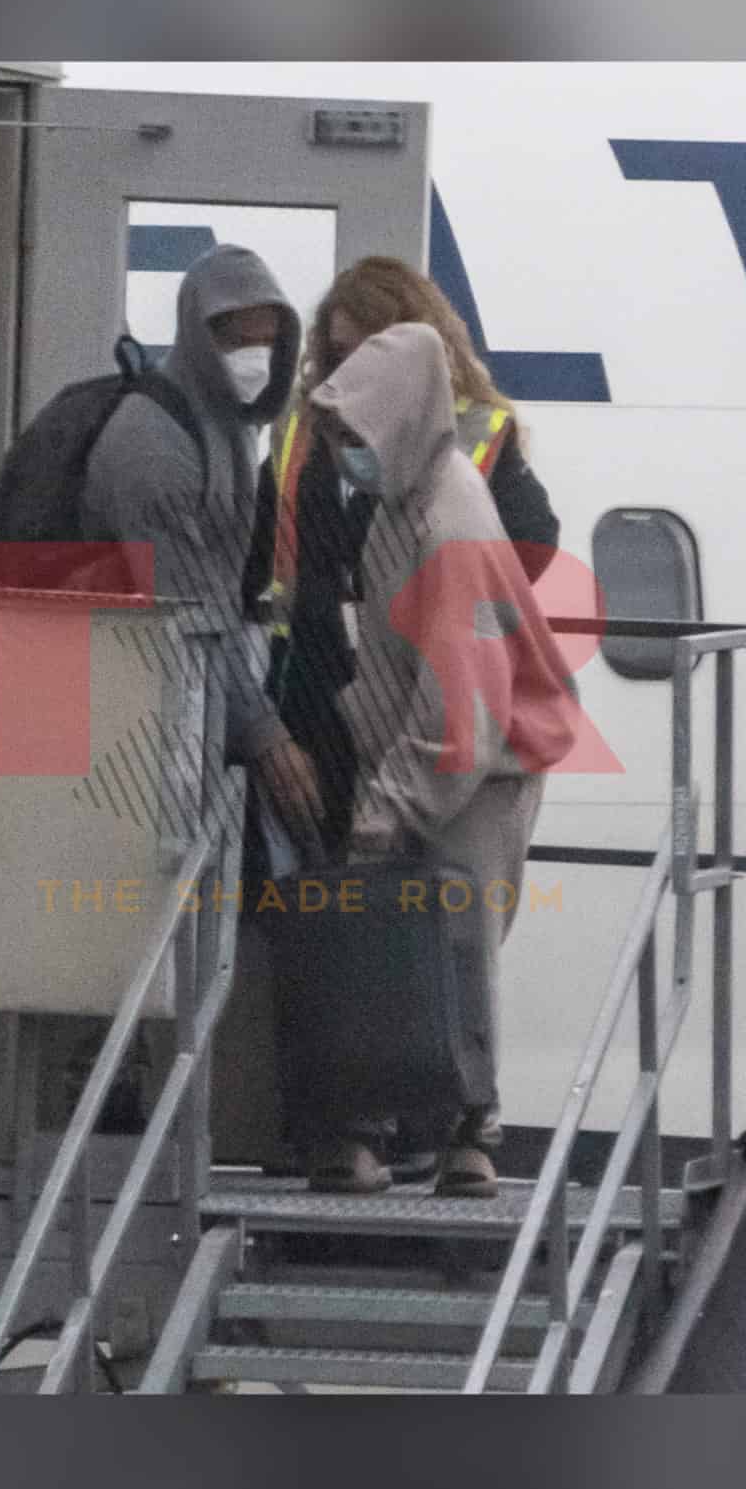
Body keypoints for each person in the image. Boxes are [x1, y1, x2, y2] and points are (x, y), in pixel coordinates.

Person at [250, 256, 562, 1178]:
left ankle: (469, 1138)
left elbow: (461, 706)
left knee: (459, 943)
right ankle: (399, 1127)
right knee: (406, 937)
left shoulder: (447, 515)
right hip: (418, 743)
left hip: (479, 756)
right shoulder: (395, 497)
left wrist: (385, 808)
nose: (340, 429)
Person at [80, 242, 326, 849]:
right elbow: (187, 611)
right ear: (198, 337)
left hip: (187, 696)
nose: (255, 358)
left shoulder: (230, 423)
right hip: (123, 703)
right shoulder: (153, 444)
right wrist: (265, 735)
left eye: (268, 342)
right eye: (237, 340)